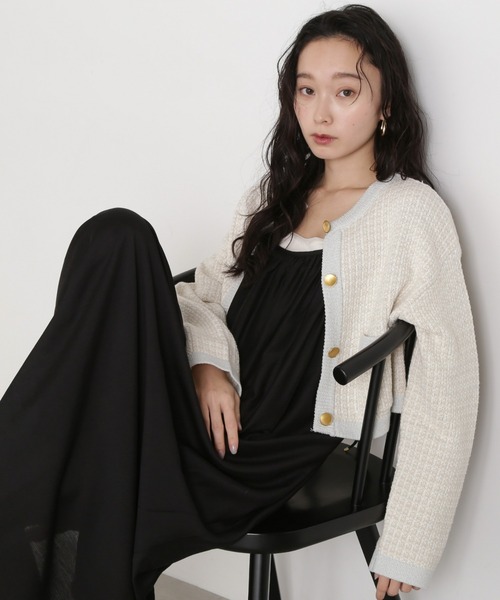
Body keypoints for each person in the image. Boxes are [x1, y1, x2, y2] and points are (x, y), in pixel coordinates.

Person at [0, 4, 478, 600]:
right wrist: (209, 364)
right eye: (306, 90)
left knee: (61, 466)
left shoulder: (411, 214)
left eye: (345, 92)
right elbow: (198, 294)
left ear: (386, 105)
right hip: (201, 417)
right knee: (115, 235)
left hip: (265, 450)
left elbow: (448, 382)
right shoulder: (271, 197)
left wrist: (411, 540)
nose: (320, 112)